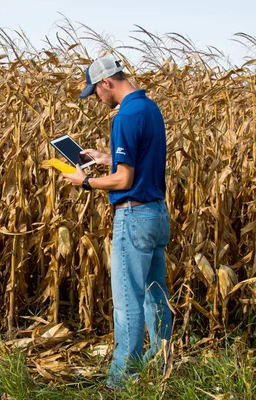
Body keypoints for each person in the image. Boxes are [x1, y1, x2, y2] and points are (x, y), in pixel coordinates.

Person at [62, 57, 172, 387]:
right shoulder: (149, 108)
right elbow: (138, 161)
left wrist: (84, 182)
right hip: (156, 213)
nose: (97, 99)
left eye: (95, 92)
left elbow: (124, 181)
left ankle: (121, 381)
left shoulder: (124, 115)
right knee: (155, 295)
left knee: (127, 301)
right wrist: (105, 158)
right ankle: (162, 363)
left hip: (134, 216)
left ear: (107, 83)